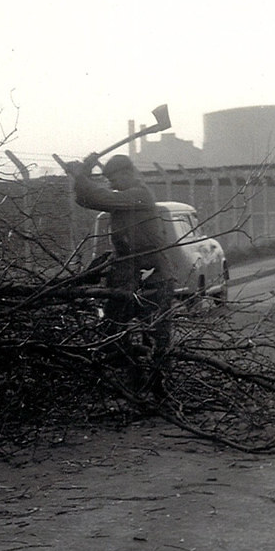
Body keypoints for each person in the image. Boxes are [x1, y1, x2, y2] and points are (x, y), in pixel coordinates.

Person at [66, 154, 175, 394]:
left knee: (155, 334)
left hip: (153, 276)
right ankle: (134, 387)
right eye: (108, 180)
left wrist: (81, 175)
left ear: (128, 173)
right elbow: (87, 199)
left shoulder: (140, 195)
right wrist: (83, 172)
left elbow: (101, 197)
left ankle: (160, 391)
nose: (112, 185)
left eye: (114, 179)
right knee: (114, 331)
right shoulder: (124, 198)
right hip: (129, 276)